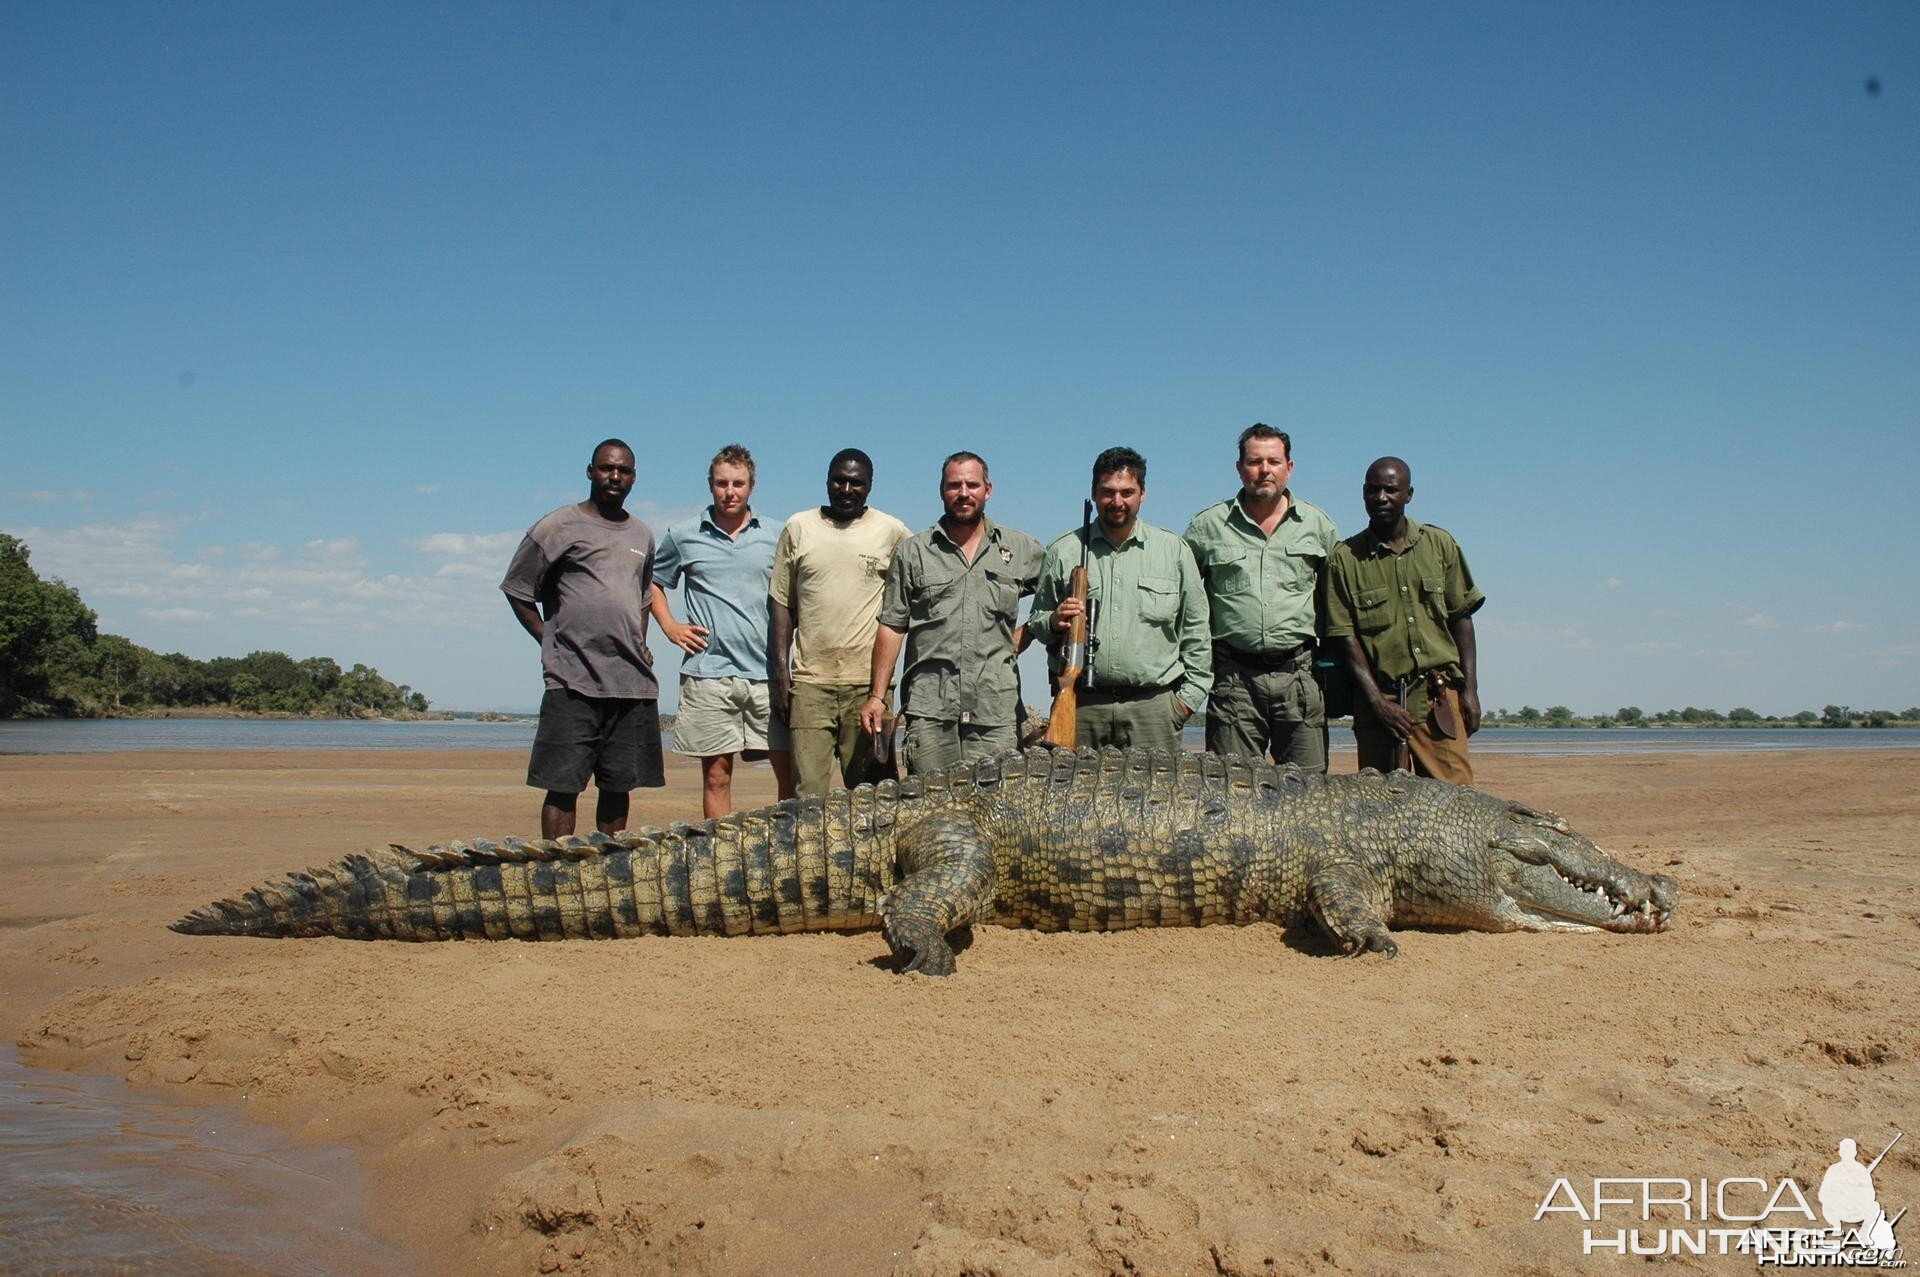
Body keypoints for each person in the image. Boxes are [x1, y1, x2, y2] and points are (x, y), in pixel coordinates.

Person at [501, 439, 665, 837]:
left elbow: (643, 597)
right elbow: (517, 589)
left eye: (623, 471)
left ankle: (607, 866)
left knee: (618, 786)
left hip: (629, 685)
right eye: (607, 468)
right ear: (590, 471)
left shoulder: (642, 535)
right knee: (563, 786)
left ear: (634, 478)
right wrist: (549, 639)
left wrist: (640, 643)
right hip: (572, 681)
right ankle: (556, 872)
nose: (615, 477)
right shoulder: (557, 526)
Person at [859, 452, 1044, 774]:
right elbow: (892, 625)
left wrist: (1026, 635)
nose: (963, 493)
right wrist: (877, 696)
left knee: (995, 812)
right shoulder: (913, 552)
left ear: (988, 490)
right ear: (941, 490)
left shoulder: (1021, 549)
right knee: (929, 812)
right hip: (931, 711)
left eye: (972, 485)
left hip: (995, 711)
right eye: (954, 485)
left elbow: (1055, 599)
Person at [1028, 446, 1211, 752]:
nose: (1117, 502)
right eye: (1107, 492)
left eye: (1127, 492)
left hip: (1154, 710)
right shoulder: (1063, 551)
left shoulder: (1174, 551)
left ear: (1143, 493)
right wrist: (1054, 620)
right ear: (1094, 493)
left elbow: (1197, 633)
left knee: (1157, 799)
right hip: (1082, 706)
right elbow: (1036, 622)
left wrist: (1184, 704)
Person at [649, 443, 793, 819]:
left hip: (767, 675)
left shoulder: (779, 534)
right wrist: (668, 625)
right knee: (716, 777)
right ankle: (721, 856)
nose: (730, 492)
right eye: (721, 483)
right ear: (710, 485)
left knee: (789, 775)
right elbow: (653, 581)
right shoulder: (683, 535)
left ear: (752, 486)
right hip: (708, 674)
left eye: (738, 484)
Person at [1184, 423, 1339, 771]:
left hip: (1299, 676)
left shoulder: (1318, 525)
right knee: (1231, 792)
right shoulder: (1207, 526)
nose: (1264, 470)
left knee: (1309, 791)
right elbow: (1186, 602)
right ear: (1240, 468)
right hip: (1234, 680)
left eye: (1273, 461)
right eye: (1255, 462)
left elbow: (1337, 604)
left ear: (1289, 467)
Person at [1323, 456, 1484, 783]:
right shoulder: (1344, 559)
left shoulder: (1439, 545)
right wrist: (1377, 703)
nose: (1381, 497)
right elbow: (1343, 638)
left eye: (1390, 490)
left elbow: (1461, 618)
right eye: (1373, 490)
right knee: (1381, 810)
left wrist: (1470, 690)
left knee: (1456, 802)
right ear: (1363, 494)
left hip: (1438, 697)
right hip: (1378, 702)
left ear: (1408, 494)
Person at [769, 448, 909, 796]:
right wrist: (780, 675)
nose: (847, 489)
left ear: (870, 486)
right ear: (827, 481)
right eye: (839, 480)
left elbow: (916, 592)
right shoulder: (799, 527)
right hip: (810, 684)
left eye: (857, 483)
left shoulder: (892, 531)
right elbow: (781, 605)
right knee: (807, 797)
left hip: (867, 688)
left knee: (874, 797)